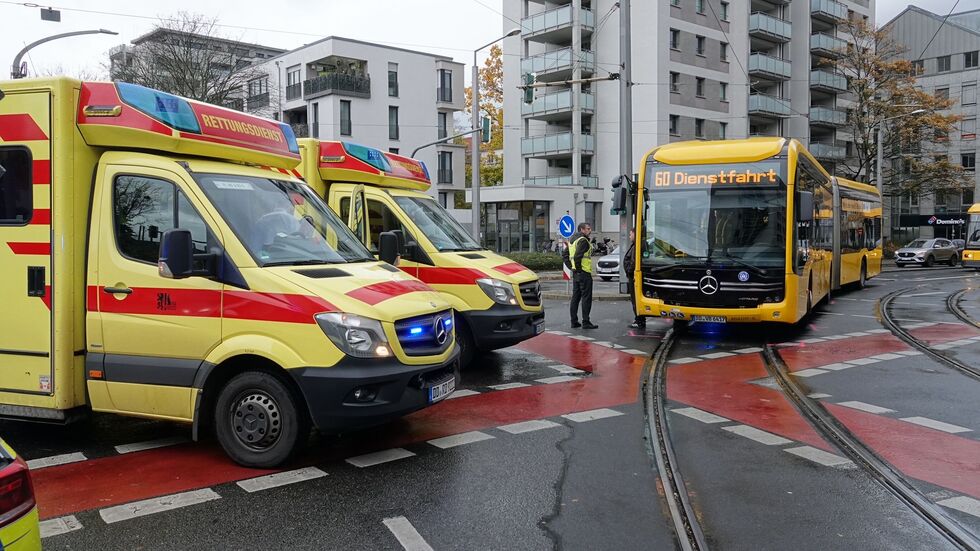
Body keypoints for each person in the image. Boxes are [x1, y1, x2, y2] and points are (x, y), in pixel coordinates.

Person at [569, 222, 597, 329]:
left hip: (576, 273)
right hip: (584, 273)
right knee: (586, 298)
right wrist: (580, 270)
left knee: (575, 298)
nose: (590, 231)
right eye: (588, 229)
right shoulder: (583, 241)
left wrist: (573, 268)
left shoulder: (573, 240)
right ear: (582, 230)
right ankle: (586, 322)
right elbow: (577, 257)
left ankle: (574, 321)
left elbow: (566, 255)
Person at [624, 228, 645, 329]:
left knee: (635, 299)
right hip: (633, 276)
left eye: (630, 234)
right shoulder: (637, 244)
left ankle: (639, 320)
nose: (629, 236)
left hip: (633, 276)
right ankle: (639, 319)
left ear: (635, 234)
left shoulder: (637, 245)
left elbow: (633, 261)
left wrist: (629, 271)